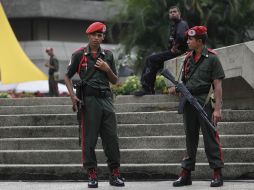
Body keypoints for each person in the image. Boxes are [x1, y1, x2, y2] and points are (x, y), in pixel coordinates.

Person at [64, 22, 125, 188]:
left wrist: (106, 69)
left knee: (112, 138)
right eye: (94, 35)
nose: (97, 38)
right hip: (89, 101)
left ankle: (115, 173)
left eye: (100, 35)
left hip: (106, 99)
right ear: (88, 35)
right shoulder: (79, 55)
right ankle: (91, 173)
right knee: (89, 140)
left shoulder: (108, 55)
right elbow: (67, 76)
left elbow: (115, 81)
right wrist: (72, 97)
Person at [168, 26, 225, 187]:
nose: (187, 41)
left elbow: (218, 85)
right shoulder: (187, 58)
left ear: (199, 41)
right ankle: (185, 174)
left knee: (210, 139)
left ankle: (217, 173)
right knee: (189, 140)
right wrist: (176, 89)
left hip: (205, 102)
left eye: (190, 39)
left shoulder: (212, 58)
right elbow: (183, 81)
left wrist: (218, 109)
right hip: (188, 102)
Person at [134, 6, 189, 96]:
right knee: (153, 64)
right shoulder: (175, 25)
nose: (172, 13)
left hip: (178, 53)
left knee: (150, 59)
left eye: (174, 12)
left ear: (179, 13)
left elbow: (181, 36)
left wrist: (175, 47)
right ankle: (149, 89)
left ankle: (147, 88)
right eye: (170, 12)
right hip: (174, 53)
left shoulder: (182, 24)